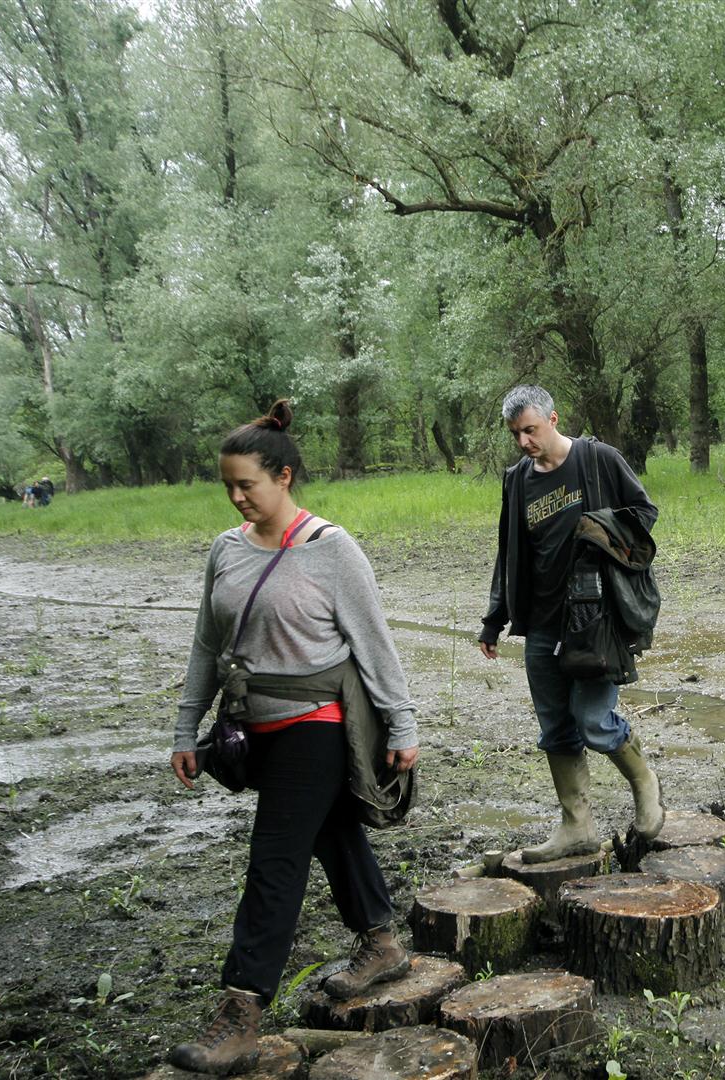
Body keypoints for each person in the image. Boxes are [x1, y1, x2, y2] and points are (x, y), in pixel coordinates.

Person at [167, 400, 420, 1074]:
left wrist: (403, 723)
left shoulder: (331, 550)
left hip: (319, 723)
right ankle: (381, 942)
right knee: (331, 828)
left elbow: (375, 642)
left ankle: (242, 1012)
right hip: (252, 725)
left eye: (246, 483)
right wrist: (184, 728)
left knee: (274, 861)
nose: (235, 496)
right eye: (227, 485)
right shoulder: (225, 550)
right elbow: (204, 647)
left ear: (283, 477)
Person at [478, 385, 665, 862]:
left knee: (594, 720)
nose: (523, 441)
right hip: (540, 622)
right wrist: (494, 619)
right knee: (556, 727)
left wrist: (598, 529)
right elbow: (509, 551)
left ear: (553, 419)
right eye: (516, 433)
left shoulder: (597, 458)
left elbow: (644, 512)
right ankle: (577, 826)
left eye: (530, 430)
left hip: (594, 618)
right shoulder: (518, 479)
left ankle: (646, 785)